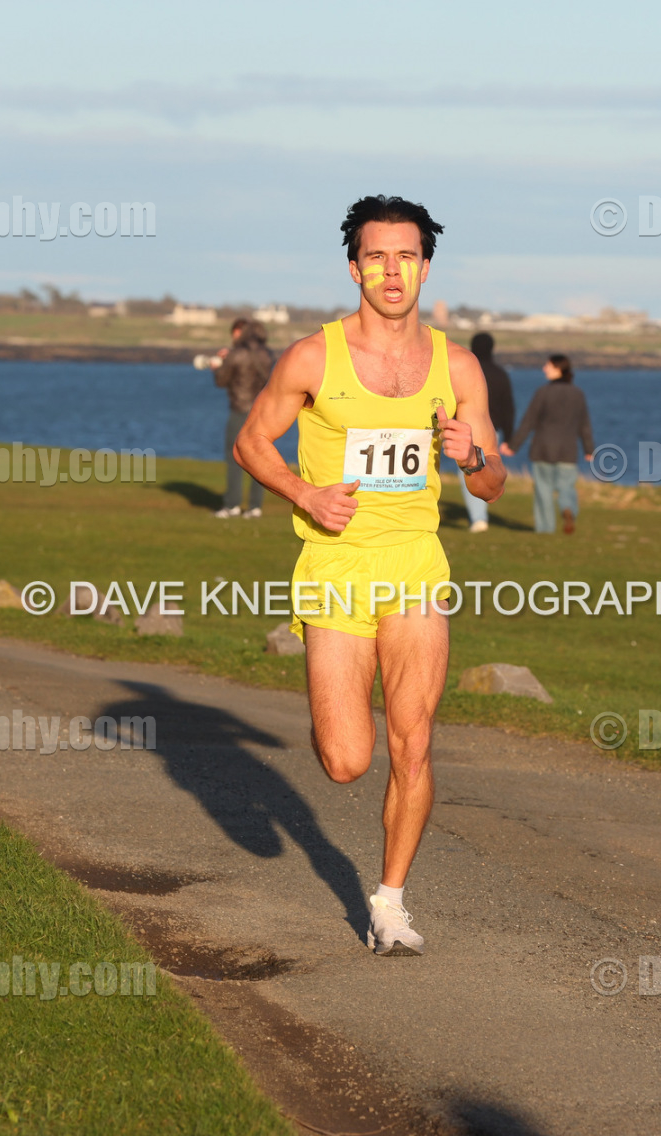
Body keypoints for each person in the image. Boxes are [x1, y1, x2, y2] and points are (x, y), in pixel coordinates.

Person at [236, 195, 506, 956]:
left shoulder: (458, 366)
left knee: (413, 743)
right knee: (346, 760)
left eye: (407, 256)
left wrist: (472, 457)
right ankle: (332, 701)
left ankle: (390, 904)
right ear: (354, 268)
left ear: (426, 267)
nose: (393, 272)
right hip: (336, 563)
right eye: (378, 257)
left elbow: (492, 485)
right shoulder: (312, 358)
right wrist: (305, 494)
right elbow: (252, 442)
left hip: (416, 561)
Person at [502, 354, 593, 534]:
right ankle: (568, 508)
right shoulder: (578, 394)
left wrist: (513, 446)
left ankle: (545, 528)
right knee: (567, 486)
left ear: (559, 368)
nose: (544, 369)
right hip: (568, 450)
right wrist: (589, 449)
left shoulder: (543, 392)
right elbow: (584, 424)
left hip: (543, 448)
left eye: (548, 366)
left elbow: (528, 422)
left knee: (543, 490)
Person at [213, 318, 274, 518]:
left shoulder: (237, 354)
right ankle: (255, 507)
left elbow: (221, 380)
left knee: (234, 457)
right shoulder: (267, 354)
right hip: (262, 413)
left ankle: (232, 505)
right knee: (260, 458)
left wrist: (218, 365)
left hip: (240, 410)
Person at [462, 331, 515, 532]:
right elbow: (508, 407)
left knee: (469, 471)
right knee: (487, 470)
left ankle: (478, 518)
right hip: (494, 431)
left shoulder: (466, 372)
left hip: (467, 430)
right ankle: (481, 515)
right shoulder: (500, 374)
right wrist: (509, 437)